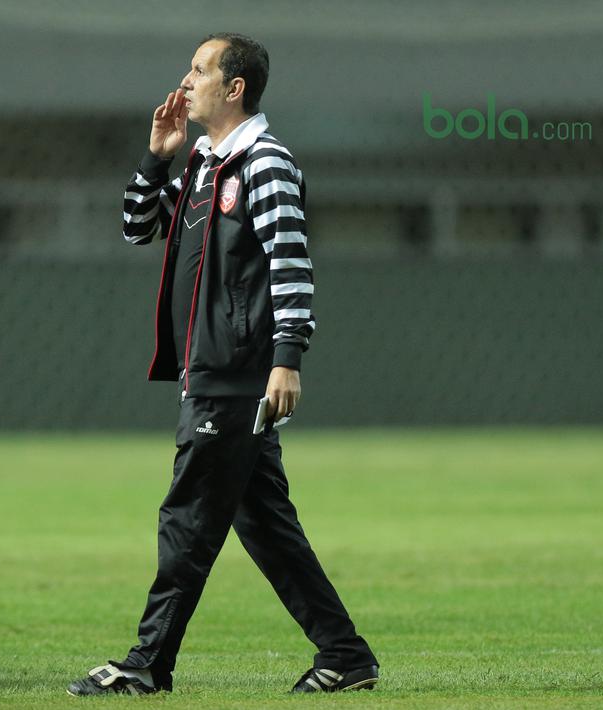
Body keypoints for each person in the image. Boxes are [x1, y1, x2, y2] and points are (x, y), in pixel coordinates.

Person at [68, 33, 379, 696]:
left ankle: (147, 665)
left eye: (198, 70)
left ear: (234, 88)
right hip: (210, 372)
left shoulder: (265, 162)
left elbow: (292, 263)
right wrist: (157, 160)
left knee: (187, 519)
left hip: (235, 376)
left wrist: (286, 359)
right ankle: (345, 655)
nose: (184, 82)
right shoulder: (205, 162)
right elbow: (136, 227)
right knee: (265, 526)